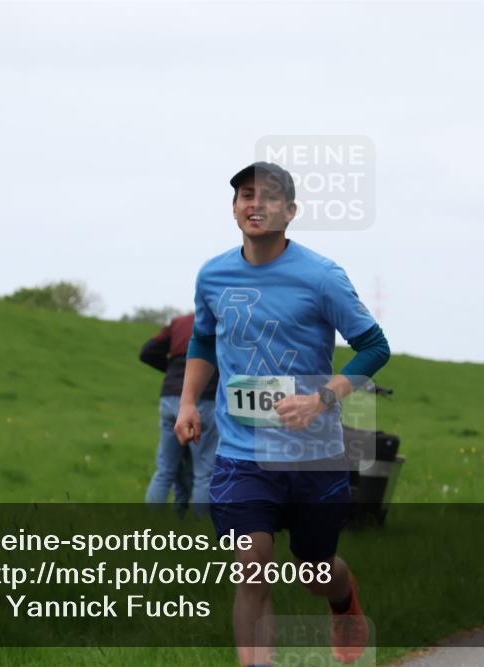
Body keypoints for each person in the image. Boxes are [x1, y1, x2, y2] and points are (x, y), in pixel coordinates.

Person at [174, 162, 390, 666]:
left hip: (313, 455)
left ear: (290, 212)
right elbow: (204, 338)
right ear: (234, 208)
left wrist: (323, 398)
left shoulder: (322, 277)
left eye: (269, 197)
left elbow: (374, 347)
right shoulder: (213, 274)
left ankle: (343, 602)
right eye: (245, 195)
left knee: (315, 570)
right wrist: (189, 402)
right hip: (242, 452)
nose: (256, 204)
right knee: (251, 564)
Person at [140, 312, 219, 515]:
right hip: (204, 399)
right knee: (204, 472)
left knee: (165, 469)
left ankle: (148, 524)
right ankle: (202, 530)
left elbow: (147, 351)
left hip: (170, 398)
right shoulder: (222, 321)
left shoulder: (179, 322)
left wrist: (171, 370)